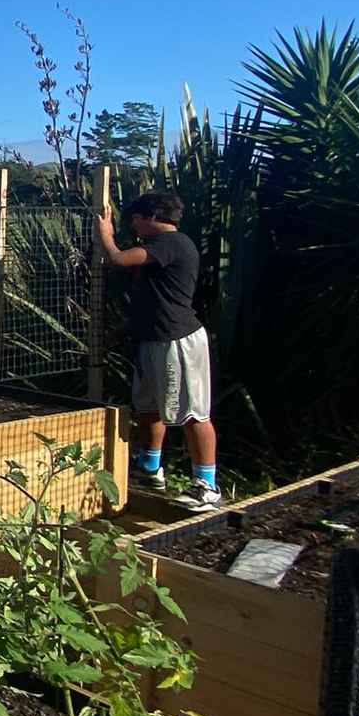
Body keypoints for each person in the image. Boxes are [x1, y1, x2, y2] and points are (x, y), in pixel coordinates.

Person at [96, 191, 221, 509]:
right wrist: (117, 334)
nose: (133, 227)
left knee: (192, 412)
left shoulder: (171, 243)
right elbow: (153, 301)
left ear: (153, 216)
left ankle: (206, 485)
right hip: (152, 340)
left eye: (136, 220)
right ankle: (150, 469)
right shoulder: (159, 249)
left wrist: (105, 234)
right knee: (148, 408)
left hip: (177, 340)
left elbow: (117, 259)